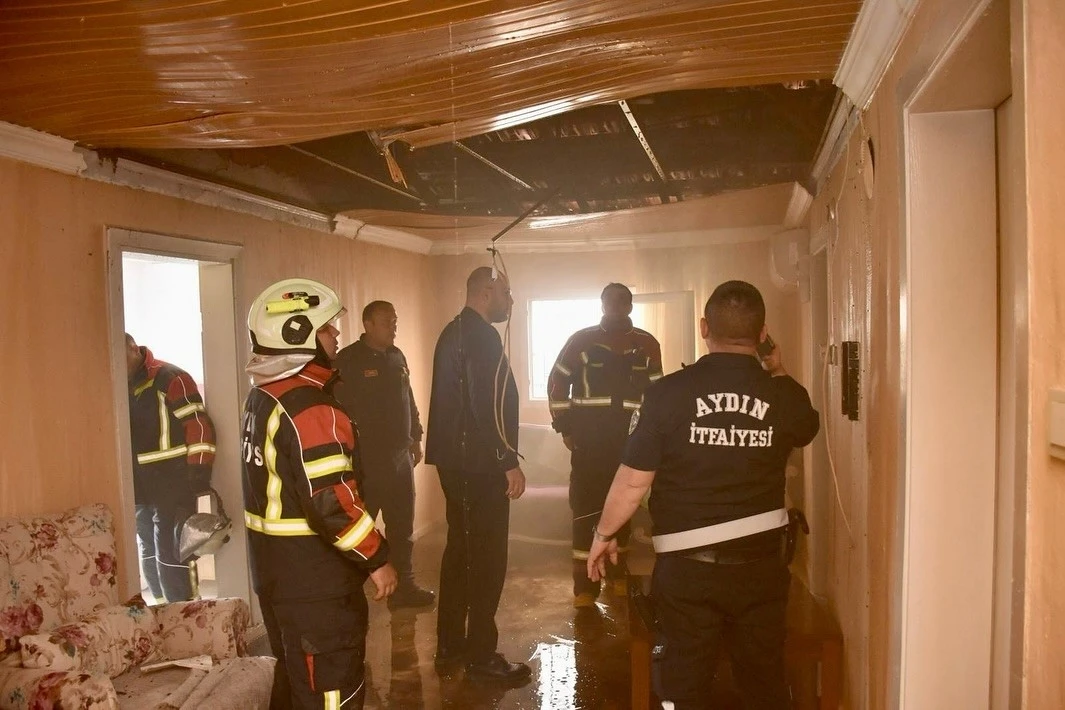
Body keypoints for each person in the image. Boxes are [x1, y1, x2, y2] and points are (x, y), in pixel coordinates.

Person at [587, 280, 820, 710]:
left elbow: (633, 482)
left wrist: (603, 535)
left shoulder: (666, 394)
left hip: (687, 573)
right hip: (760, 569)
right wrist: (778, 371)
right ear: (762, 334)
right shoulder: (784, 395)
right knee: (763, 684)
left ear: (703, 327)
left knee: (683, 686)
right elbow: (805, 427)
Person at [240, 278, 398, 710]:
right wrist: (377, 558)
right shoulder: (311, 407)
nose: (336, 335)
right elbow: (332, 503)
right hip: (317, 586)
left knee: (297, 686)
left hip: (277, 577)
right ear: (298, 337)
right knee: (331, 694)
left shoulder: (261, 397)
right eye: (327, 329)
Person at [424, 266, 532, 683]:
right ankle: (482, 656)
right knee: (487, 559)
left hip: (458, 464)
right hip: (480, 466)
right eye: (506, 293)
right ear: (486, 293)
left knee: (461, 554)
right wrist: (507, 460)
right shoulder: (481, 337)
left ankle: (451, 646)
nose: (511, 301)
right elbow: (485, 405)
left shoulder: (454, 330)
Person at [547, 283, 662, 608]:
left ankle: (616, 575)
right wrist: (565, 427)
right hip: (589, 443)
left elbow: (658, 393)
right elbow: (557, 382)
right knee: (585, 509)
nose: (616, 306)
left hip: (630, 443)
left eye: (622, 301)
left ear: (630, 306)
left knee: (623, 508)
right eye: (610, 301)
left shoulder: (647, 344)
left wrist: (653, 436)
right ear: (601, 304)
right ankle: (585, 587)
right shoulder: (581, 341)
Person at [333, 300, 435, 609]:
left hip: (399, 460)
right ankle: (347, 597)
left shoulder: (396, 357)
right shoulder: (347, 360)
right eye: (386, 322)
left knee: (402, 529)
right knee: (359, 530)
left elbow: (408, 399)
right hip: (366, 463)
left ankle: (404, 588)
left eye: (395, 321)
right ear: (368, 325)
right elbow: (335, 411)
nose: (393, 327)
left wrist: (416, 437)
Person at [126, 333, 216, 604]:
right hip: (137, 484)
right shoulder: (115, 382)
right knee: (148, 548)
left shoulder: (171, 378)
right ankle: (159, 611)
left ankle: (185, 611)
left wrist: (199, 472)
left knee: (173, 550)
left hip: (173, 480)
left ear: (133, 349)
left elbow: (198, 426)